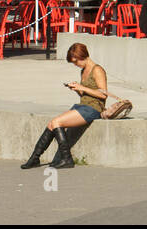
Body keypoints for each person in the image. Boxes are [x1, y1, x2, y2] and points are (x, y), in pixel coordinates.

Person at [20, 42, 107, 170]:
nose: (75, 65)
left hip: (94, 109)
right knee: (51, 124)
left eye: (76, 61)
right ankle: (35, 158)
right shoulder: (84, 70)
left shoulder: (97, 70)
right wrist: (77, 89)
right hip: (83, 106)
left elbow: (103, 95)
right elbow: (86, 94)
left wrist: (82, 87)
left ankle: (67, 159)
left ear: (82, 56)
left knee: (56, 123)